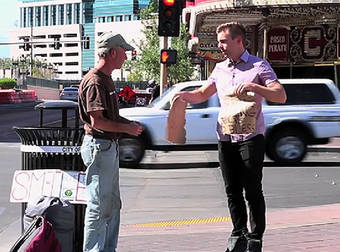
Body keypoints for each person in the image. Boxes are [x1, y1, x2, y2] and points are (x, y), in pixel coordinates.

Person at [174, 22, 286, 252]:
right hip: (225, 136)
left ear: (238, 41)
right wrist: (185, 96)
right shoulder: (219, 68)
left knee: (252, 189)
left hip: (251, 136)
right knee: (231, 189)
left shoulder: (259, 65)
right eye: (218, 42)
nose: (220, 46)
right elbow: (204, 93)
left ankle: (255, 237)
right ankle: (238, 233)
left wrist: (255, 86)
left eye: (224, 41)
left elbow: (280, 95)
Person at [78, 32, 143, 252]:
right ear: (113, 52)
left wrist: (128, 124)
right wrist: (127, 128)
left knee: (112, 205)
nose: (126, 55)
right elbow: (98, 122)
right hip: (99, 147)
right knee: (99, 206)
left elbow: (108, 118)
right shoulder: (95, 81)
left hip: (106, 147)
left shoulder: (105, 79)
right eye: (124, 51)